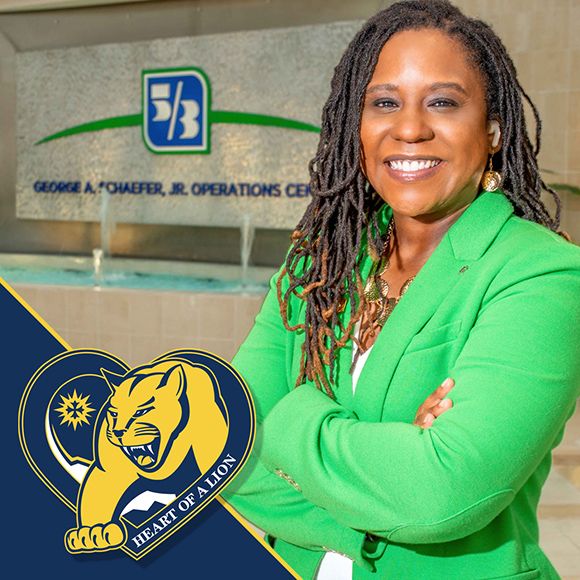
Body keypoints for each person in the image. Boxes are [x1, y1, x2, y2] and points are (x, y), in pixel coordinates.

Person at [222, 1, 580, 579]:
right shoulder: (319, 259)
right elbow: (225, 447)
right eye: (384, 102)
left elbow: (441, 493)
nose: (409, 128)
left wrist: (289, 415)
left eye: (442, 102)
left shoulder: (542, 274)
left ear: (493, 130)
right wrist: (387, 468)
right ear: (355, 124)